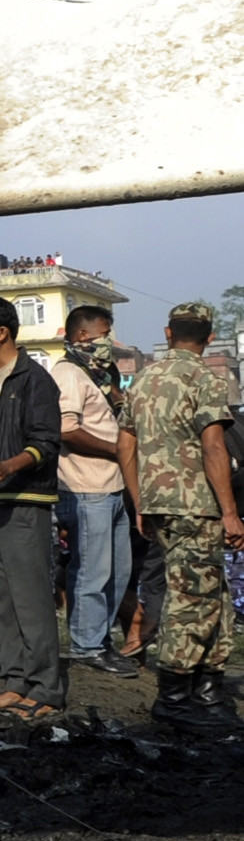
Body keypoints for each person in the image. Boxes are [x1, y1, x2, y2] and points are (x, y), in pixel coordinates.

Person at [119, 300, 244, 730]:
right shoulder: (205, 379)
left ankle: (207, 688)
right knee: (193, 600)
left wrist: (140, 503)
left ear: (168, 333)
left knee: (213, 595)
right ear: (209, 338)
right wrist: (230, 512)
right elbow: (214, 447)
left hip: (158, 502)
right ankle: (174, 695)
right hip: (196, 504)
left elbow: (125, 446)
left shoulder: (143, 379)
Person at [0, 295, 67, 715]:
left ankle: (46, 687)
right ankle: (13, 677)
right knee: (0, 599)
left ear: (2, 332)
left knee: (31, 597)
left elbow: (47, 441)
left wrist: (10, 465)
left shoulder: (35, 380)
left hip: (23, 501)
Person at [51, 305, 135, 677]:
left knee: (117, 571)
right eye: (104, 334)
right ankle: (86, 645)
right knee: (92, 572)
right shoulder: (68, 373)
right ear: (83, 336)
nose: (109, 342)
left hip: (112, 485)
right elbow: (65, 429)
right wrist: (117, 449)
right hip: (85, 485)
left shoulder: (98, 374)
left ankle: (100, 641)